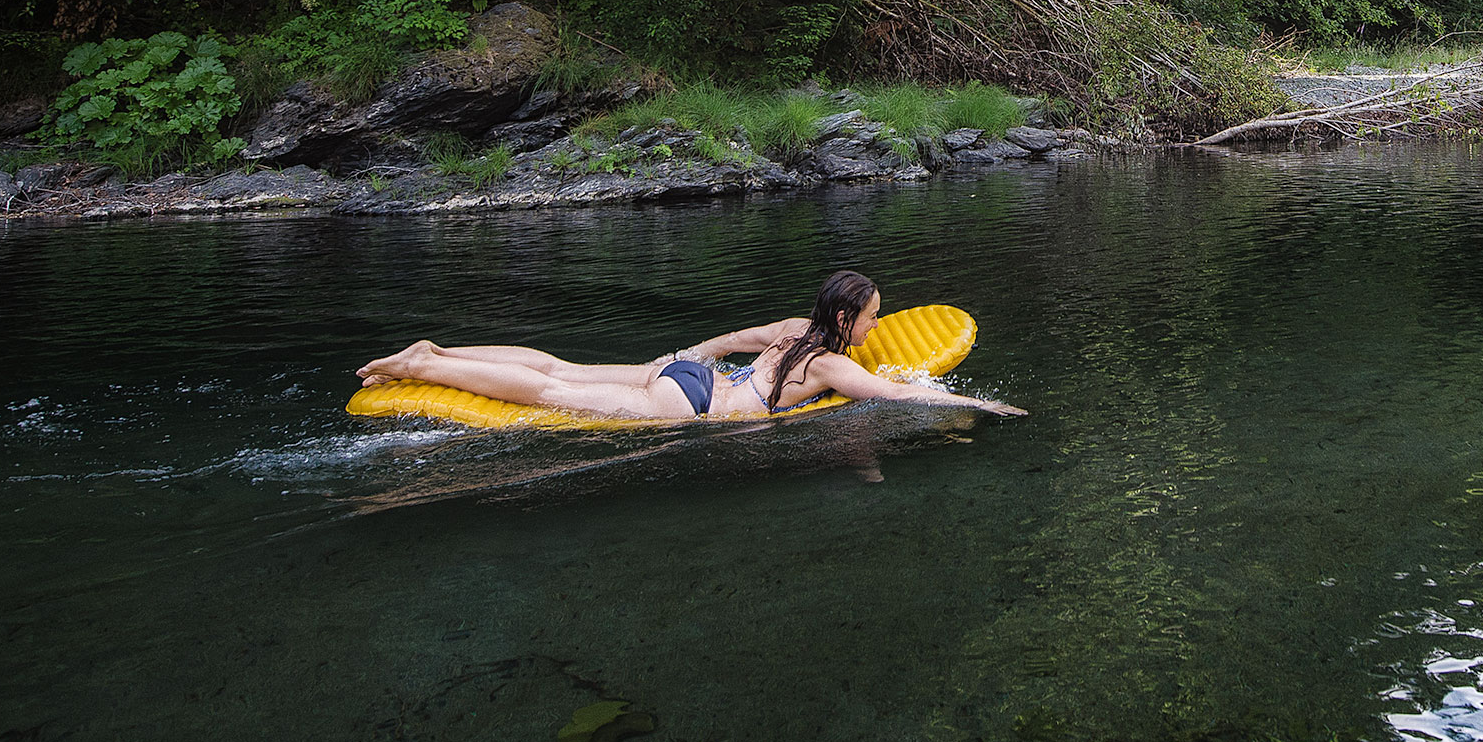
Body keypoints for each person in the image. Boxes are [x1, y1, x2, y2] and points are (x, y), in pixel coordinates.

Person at [351, 269, 1025, 422]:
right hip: (698, 407)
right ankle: (426, 364)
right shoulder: (831, 364)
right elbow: (897, 392)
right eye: (875, 318)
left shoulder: (796, 328)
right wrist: (980, 407)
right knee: (555, 394)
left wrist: (688, 353)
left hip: (688, 373)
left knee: (562, 366)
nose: (880, 327)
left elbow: (732, 338)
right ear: (848, 318)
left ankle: (439, 356)